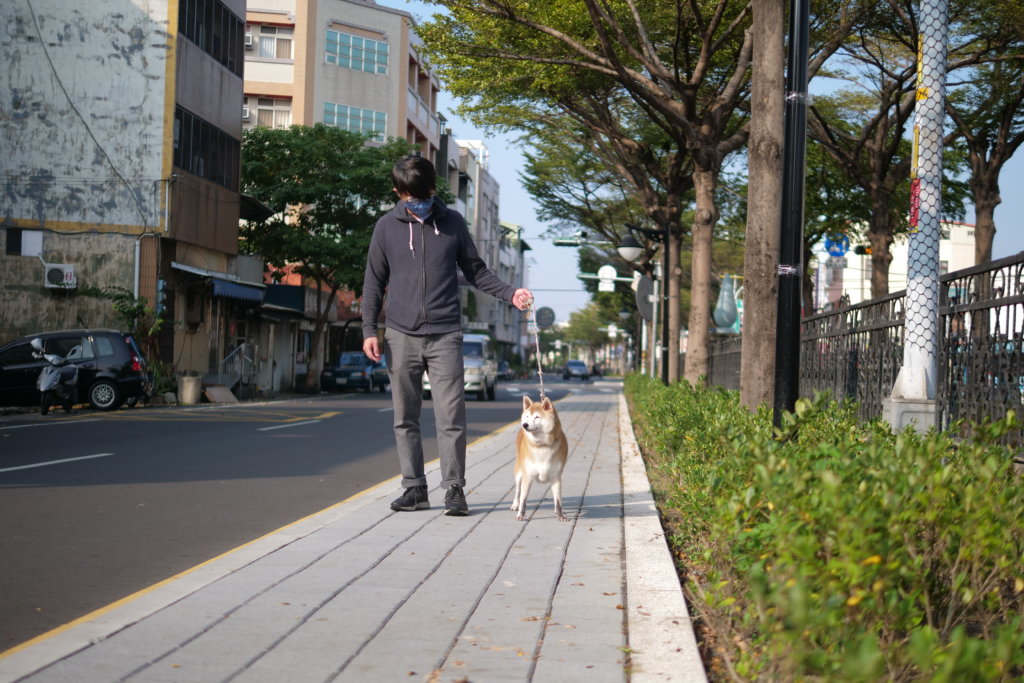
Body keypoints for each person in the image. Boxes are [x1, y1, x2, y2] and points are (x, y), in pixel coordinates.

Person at [362, 155, 534, 516]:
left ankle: (454, 488)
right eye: (409, 198)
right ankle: (414, 489)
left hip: (445, 334)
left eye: (422, 196)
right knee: (405, 417)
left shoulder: (453, 223)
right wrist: (369, 330)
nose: (417, 204)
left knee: (451, 416)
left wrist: (510, 293)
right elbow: (374, 283)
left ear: (432, 190)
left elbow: (476, 271)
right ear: (398, 193)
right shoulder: (385, 228)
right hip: (399, 335)